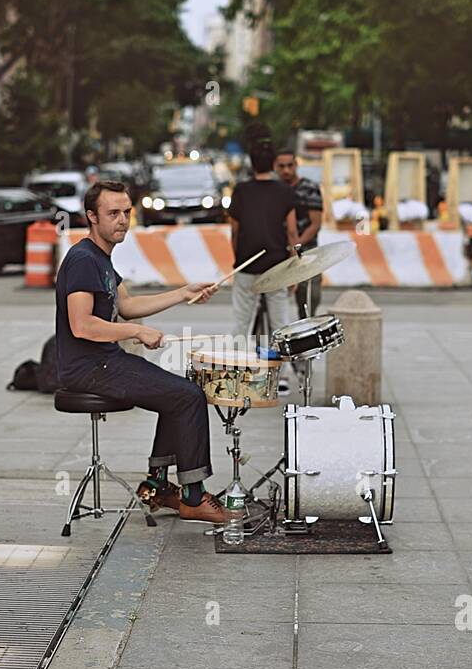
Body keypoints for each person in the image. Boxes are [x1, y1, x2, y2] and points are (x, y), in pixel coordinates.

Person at [55, 179, 227, 524]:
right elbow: (82, 325)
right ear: (92, 216)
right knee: (188, 396)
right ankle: (192, 496)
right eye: (113, 213)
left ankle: (159, 486)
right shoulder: (82, 260)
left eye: (127, 212)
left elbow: (128, 305)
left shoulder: (101, 259)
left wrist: (183, 292)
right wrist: (137, 332)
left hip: (105, 360)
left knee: (175, 392)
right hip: (88, 367)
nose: (122, 220)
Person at [228, 125, 298, 346]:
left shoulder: (240, 191)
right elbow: (292, 232)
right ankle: (284, 375)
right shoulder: (285, 192)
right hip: (276, 266)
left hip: (247, 264)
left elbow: (235, 232)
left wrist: (238, 259)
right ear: (274, 164)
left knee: (241, 323)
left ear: (251, 163)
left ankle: (236, 370)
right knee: (281, 324)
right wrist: (295, 268)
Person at [274, 147, 323, 316]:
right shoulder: (273, 189)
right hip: (279, 250)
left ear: (296, 165)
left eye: (290, 165)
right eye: (281, 166)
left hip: (307, 251)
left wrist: (296, 247)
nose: (286, 170)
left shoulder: (309, 188)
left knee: (309, 298)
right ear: (275, 166)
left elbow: (315, 224)